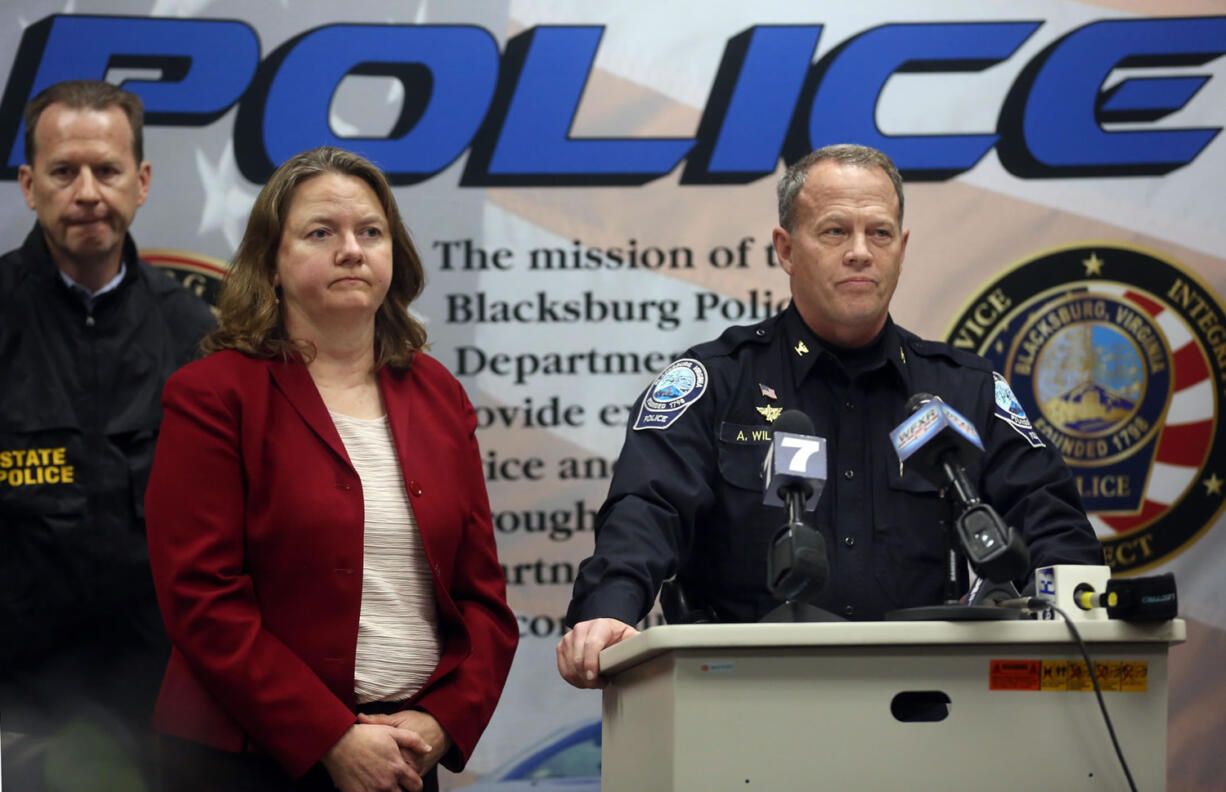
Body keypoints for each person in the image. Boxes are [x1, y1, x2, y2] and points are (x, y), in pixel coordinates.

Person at [558, 143, 1103, 688]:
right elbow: (645, 511)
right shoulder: (716, 383)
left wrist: (1082, 614)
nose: (861, 252)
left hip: (934, 702)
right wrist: (609, 609)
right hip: (744, 699)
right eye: (835, 231)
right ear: (787, 249)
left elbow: (1051, 520)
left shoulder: (964, 390)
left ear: (902, 247)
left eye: (880, 233)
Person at [144, 146, 518, 791]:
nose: (352, 249)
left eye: (370, 232)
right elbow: (202, 600)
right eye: (322, 232)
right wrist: (330, 738)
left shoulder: (438, 392)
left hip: (404, 756)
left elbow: (481, 597)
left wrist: (441, 721)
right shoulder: (213, 394)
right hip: (249, 759)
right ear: (272, 263)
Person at [0, 80, 216, 789]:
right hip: (17, 716)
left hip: (161, 716)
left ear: (143, 182)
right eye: (64, 172)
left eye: (108, 170)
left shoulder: (197, 339)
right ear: (29, 186)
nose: (88, 192)